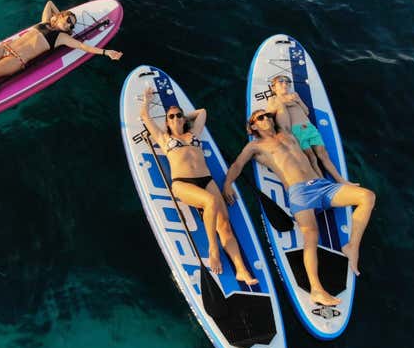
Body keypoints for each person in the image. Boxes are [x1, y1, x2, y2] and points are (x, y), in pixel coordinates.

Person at [223, 109, 376, 306]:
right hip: (300, 193)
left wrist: (282, 94)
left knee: (367, 196)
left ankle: (352, 246)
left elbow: (281, 108)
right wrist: (228, 183)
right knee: (311, 234)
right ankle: (316, 290)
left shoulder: (286, 132)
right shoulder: (255, 146)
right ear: (253, 126)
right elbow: (237, 165)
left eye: (268, 116)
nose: (267, 118)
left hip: (322, 186)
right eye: (261, 117)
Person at [140, 86, 258, 285]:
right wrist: (147, 99)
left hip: (207, 180)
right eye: (171, 117)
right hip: (182, 183)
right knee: (211, 201)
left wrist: (185, 116)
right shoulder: (164, 138)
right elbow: (144, 116)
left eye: (178, 115)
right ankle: (213, 249)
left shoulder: (194, 132)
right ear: (166, 122)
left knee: (225, 226)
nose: (176, 118)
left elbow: (202, 112)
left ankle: (241, 270)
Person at [0, 0, 123, 98]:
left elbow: (82, 46)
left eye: (72, 25)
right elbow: (50, 3)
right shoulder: (45, 21)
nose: (70, 25)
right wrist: (56, 18)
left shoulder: (62, 37)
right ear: (60, 16)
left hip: (16, 60)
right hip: (5, 48)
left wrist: (106, 52)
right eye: (69, 20)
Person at [266, 75, 356, 185]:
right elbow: (269, 112)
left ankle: (341, 180)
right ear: (273, 88)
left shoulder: (295, 95)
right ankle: (324, 183)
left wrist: (298, 100)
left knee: (323, 155)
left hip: (310, 127)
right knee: (311, 158)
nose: (285, 84)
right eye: (281, 82)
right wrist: (282, 103)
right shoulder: (274, 99)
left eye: (287, 82)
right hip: (296, 131)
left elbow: (306, 112)